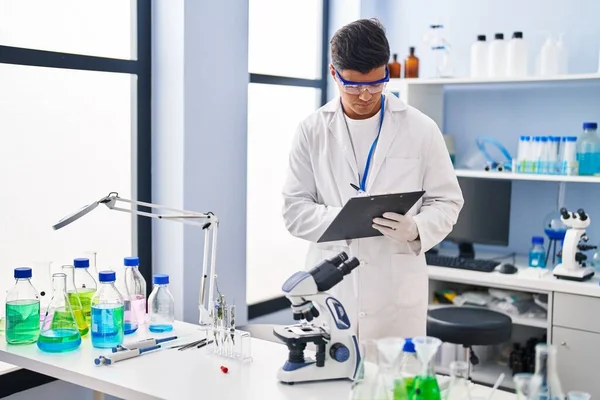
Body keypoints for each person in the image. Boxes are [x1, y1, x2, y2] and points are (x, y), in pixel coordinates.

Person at [281, 18, 464, 340]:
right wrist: (347, 218)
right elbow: (294, 210)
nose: (365, 95)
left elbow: (447, 200)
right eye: (352, 85)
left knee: (394, 384)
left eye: (376, 83)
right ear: (333, 73)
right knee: (332, 379)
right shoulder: (311, 130)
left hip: (395, 286)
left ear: (387, 72)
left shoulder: (421, 128)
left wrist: (417, 228)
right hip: (333, 280)